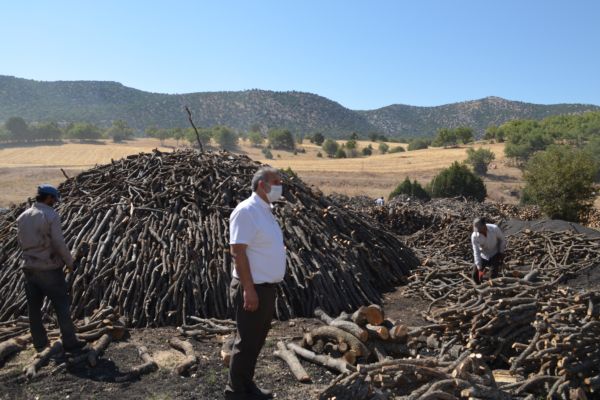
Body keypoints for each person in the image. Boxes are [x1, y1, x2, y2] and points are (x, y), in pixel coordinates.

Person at [225, 167, 286, 400]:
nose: (280, 186)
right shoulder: (246, 211)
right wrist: (248, 290)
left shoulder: (265, 211)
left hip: (266, 287)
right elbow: (237, 252)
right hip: (252, 287)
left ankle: (246, 384)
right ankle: (235, 392)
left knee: (256, 341)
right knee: (246, 342)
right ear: (262, 184)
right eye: (276, 182)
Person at [16, 184, 85, 352]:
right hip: (48, 267)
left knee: (34, 308)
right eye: (54, 199)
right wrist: (69, 261)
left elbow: (21, 242)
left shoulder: (22, 217)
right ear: (48, 198)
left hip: (29, 267)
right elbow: (58, 243)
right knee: (61, 303)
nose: (55, 202)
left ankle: (39, 342)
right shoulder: (50, 215)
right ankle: (70, 341)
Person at [471, 217, 507, 284]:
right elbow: (476, 252)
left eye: (480, 230)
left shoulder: (494, 228)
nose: (479, 231)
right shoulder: (474, 236)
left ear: (484, 225)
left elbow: (502, 240)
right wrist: (479, 268)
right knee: (474, 276)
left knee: (492, 277)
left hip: (495, 253)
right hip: (483, 255)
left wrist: (501, 252)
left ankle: (492, 290)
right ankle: (480, 289)